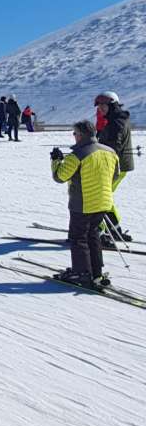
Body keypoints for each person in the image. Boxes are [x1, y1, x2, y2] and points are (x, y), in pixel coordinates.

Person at [50, 120, 119, 286]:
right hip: (103, 202)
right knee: (93, 235)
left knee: (78, 237)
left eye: (75, 133)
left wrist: (56, 161)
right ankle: (96, 271)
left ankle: (81, 273)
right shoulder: (110, 152)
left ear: (81, 135)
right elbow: (115, 176)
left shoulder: (78, 155)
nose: (74, 136)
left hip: (83, 203)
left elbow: (60, 177)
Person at [94, 91, 134, 241]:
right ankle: (114, 229)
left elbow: (113, 146)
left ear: (112, 105)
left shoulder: (116, 122)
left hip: (116, 166)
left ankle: (100, 231)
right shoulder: (115, 119)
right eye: (99, 106)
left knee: (100, 196)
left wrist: (97, 150)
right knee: (105, 196)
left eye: (103, 105)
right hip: (118, 165)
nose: (100, 109)